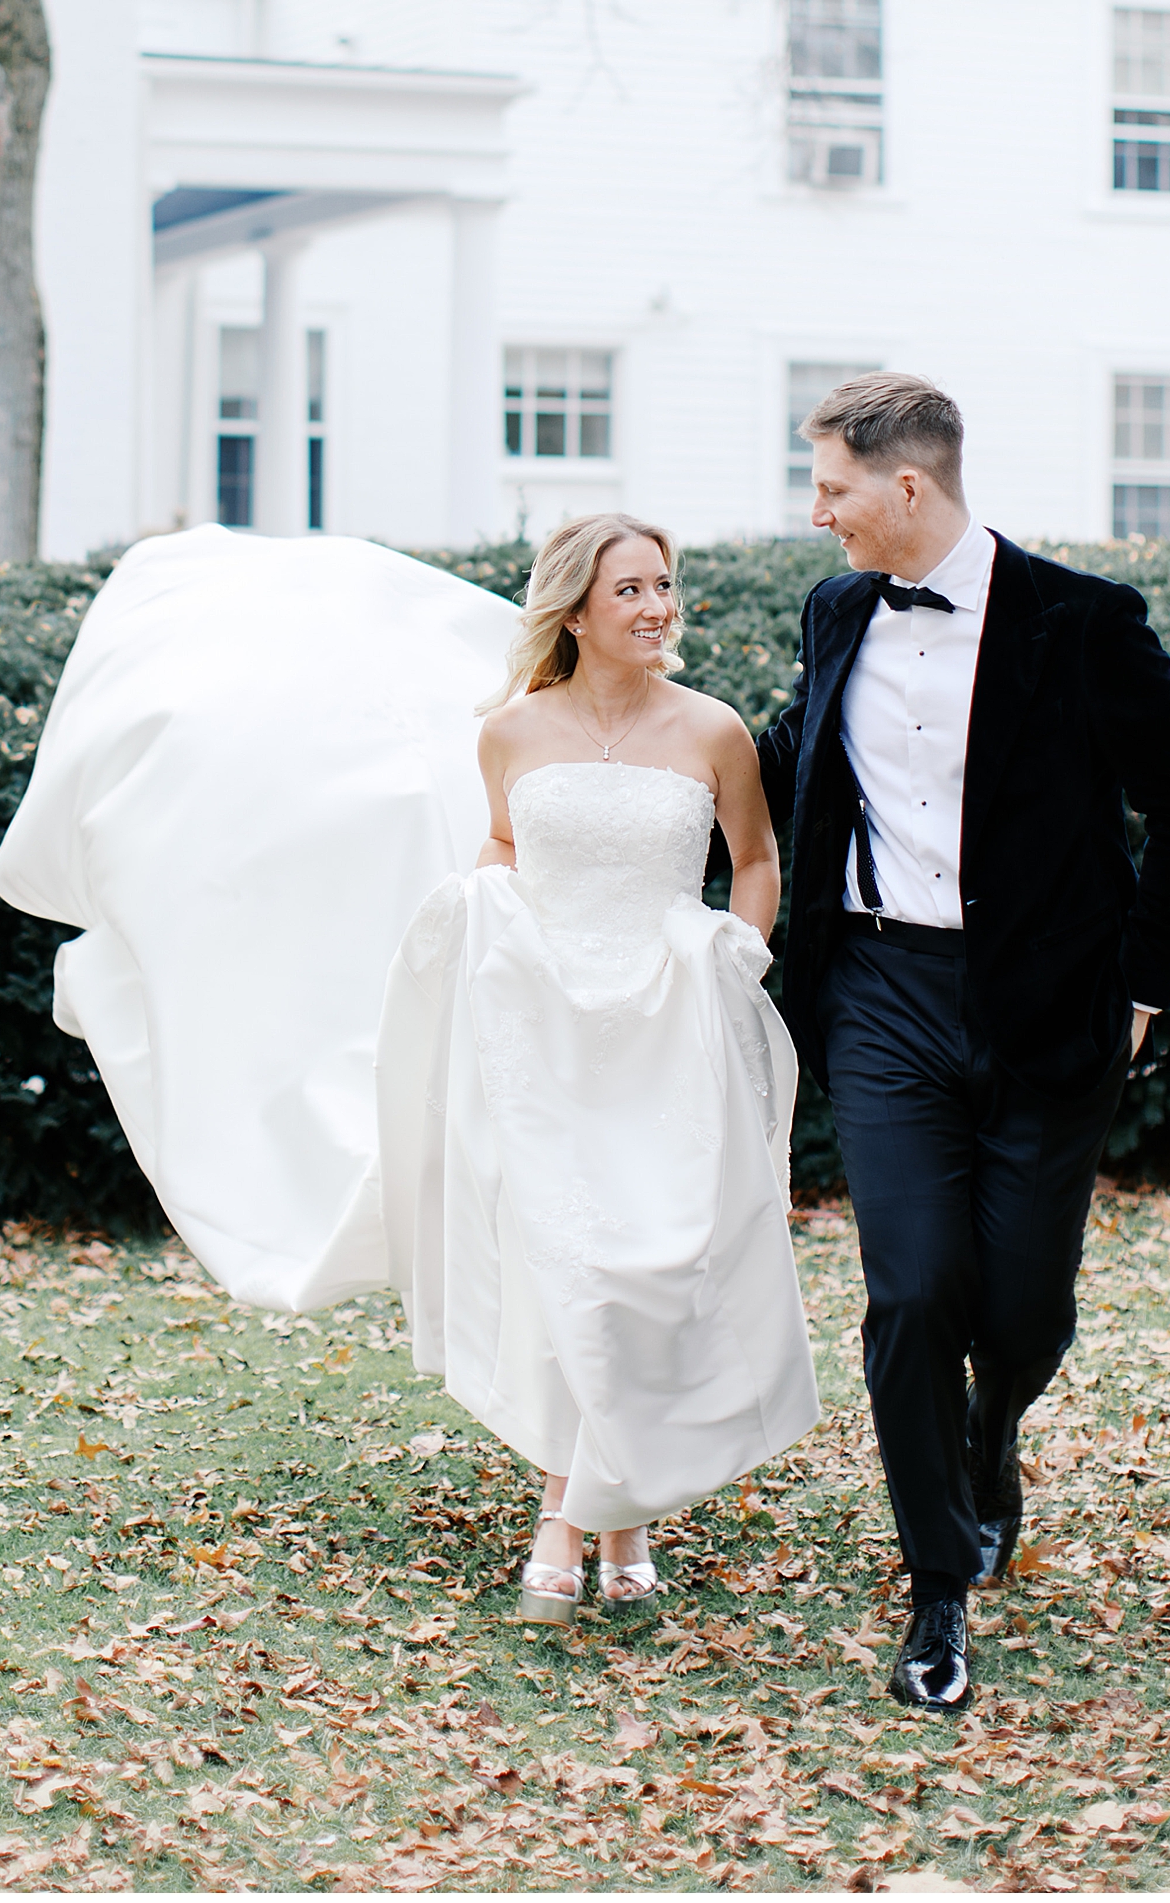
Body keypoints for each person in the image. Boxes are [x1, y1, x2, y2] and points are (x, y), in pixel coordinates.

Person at [751, 373, 1170, 1711]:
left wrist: (1144, 989)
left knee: (1022, 1308)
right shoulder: (837, 608)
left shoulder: (1085, 623)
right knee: (909, 1291)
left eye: (833, 485)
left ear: (906, 487)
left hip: (1050, 1012)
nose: (818, 511)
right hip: (881, 1000)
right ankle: (937, 1586)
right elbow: (800, 757)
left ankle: (991, 1424)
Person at [376, 512, 820, 1622]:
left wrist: (739, 959)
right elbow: (506, 849)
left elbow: (756, 859)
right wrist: (479, 920)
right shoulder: (512, 733)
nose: (657, 606)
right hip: (547, 1030)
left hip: (671, 1025)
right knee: (567, 1263)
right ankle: (582, 1515)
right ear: (576, 609)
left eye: (664, 584)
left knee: (648, 1264)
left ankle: (599, 1513)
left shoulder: (715, 728)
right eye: (631, 589)